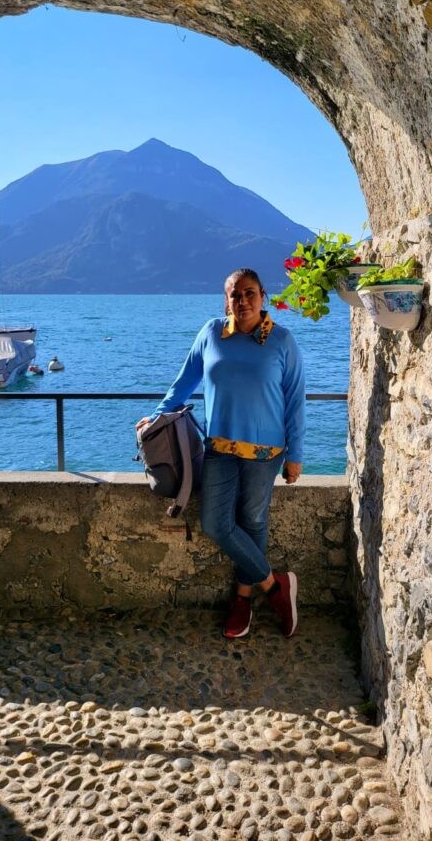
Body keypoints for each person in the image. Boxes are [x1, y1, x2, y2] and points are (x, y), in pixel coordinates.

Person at [136, 268, 305, 639]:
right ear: (225, 299)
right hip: (219, 448)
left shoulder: (282, 341)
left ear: (263, 296)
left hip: (266, 452)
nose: (241, 301)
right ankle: (276, 588)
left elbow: (295, 402)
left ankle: (242, 600)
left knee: (253, 522)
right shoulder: (211, 333)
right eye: (234, 295)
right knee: (215, 524)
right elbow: (185, 381)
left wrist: (296, 454)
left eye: (248, 294)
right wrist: (159, 415)